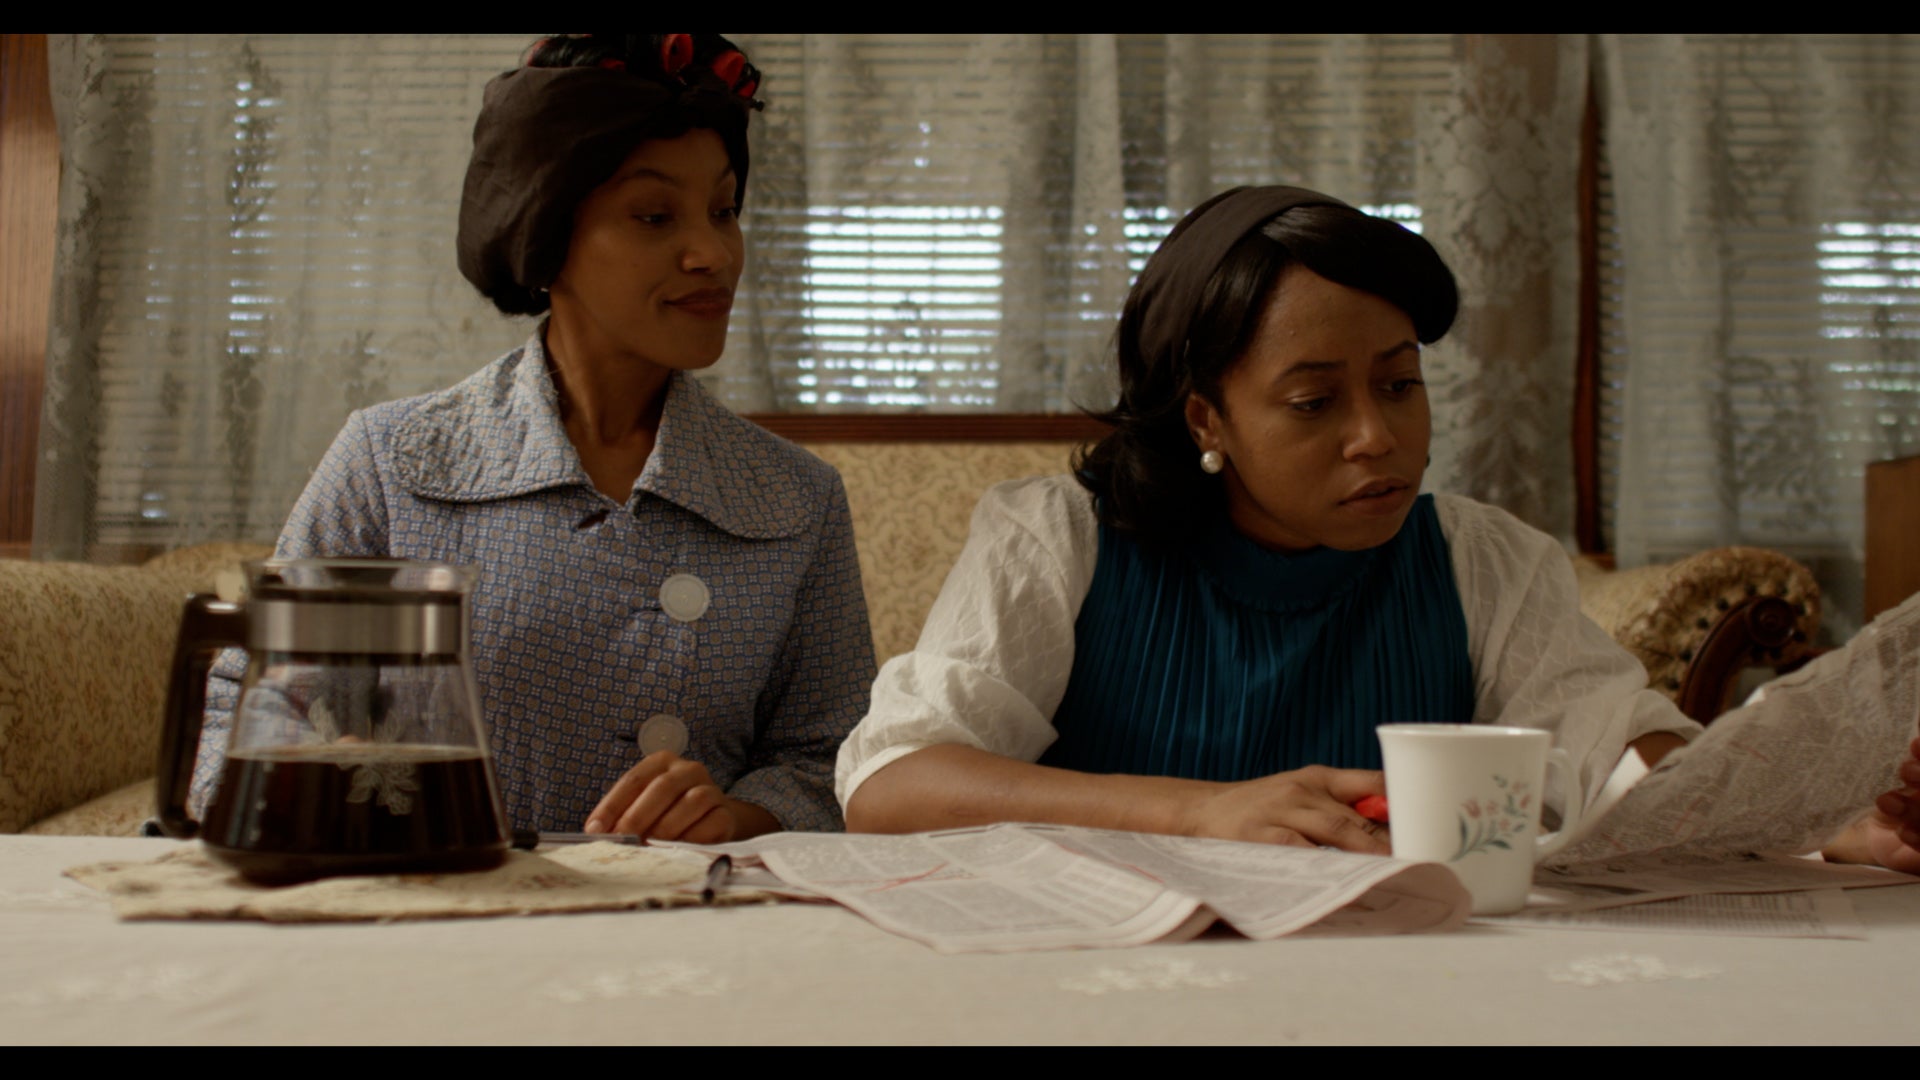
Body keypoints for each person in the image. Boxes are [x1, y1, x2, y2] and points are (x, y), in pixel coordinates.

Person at [834, 184, 1920, 872]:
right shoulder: (1060, 538)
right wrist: (1201, 813)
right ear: (1207, 414)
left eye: (1399, 386)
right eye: (1315, 403)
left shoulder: (1479, 559)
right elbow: (894, 785)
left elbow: (1611, 753)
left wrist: (1816, 821)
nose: (1377, 438)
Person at [191, 34, 874, 843]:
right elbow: (249, 714)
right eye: (655, 215)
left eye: (724, 210)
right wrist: (321, 779)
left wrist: (734, 813)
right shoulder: (392, 460)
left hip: (689, 932)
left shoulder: (796, 497)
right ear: (545, 235)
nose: (714, 253)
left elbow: (835, 757)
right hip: (439, 920)